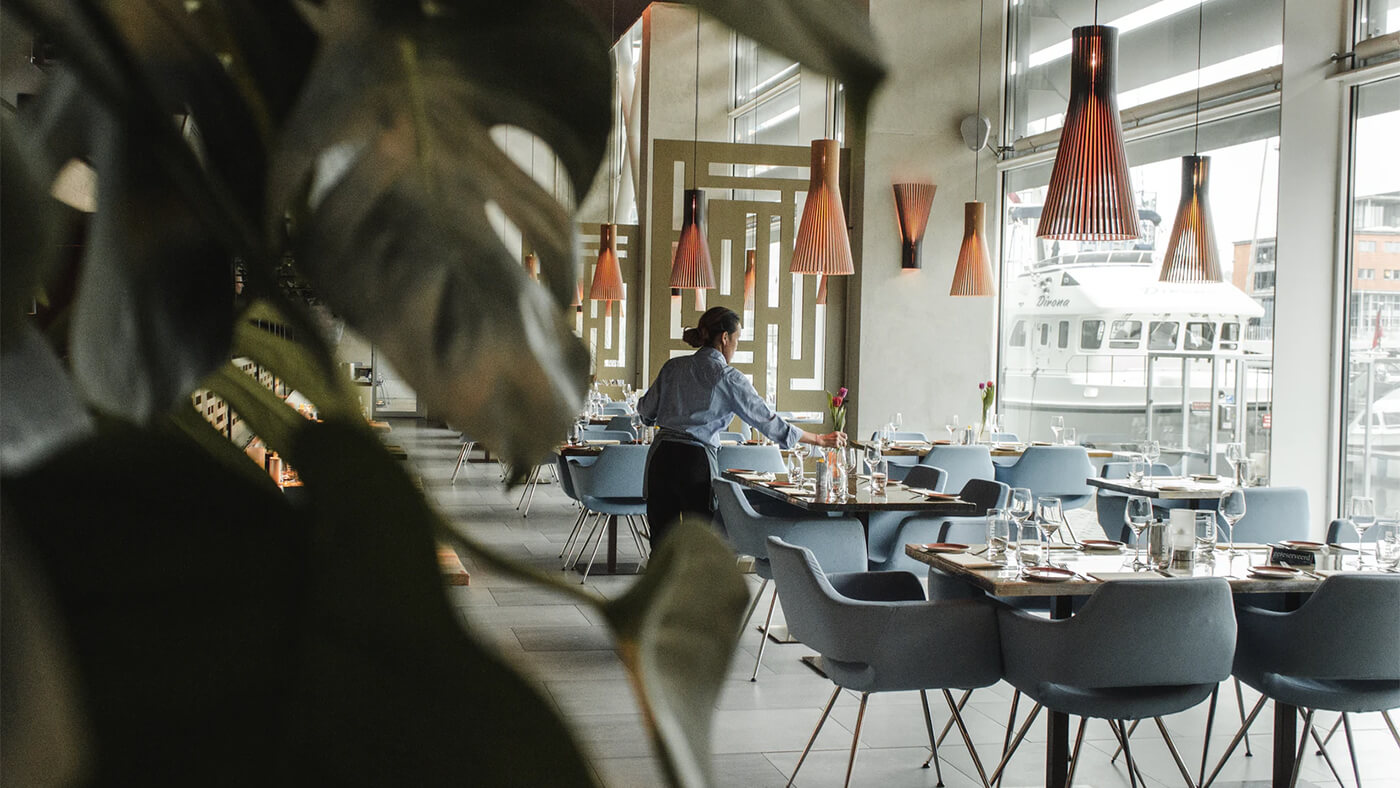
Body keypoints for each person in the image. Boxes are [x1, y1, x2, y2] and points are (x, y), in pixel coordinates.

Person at [637, 306, 844, 546]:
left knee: (660, 544)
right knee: (699, 546)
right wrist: (818, 439)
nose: (736, 346)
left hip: (661, 458)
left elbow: (645, 411)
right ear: (725, 338)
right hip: (695, 462)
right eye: (737, 339)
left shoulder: (673, 367)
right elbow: (766, 420)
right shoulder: (727, 377)